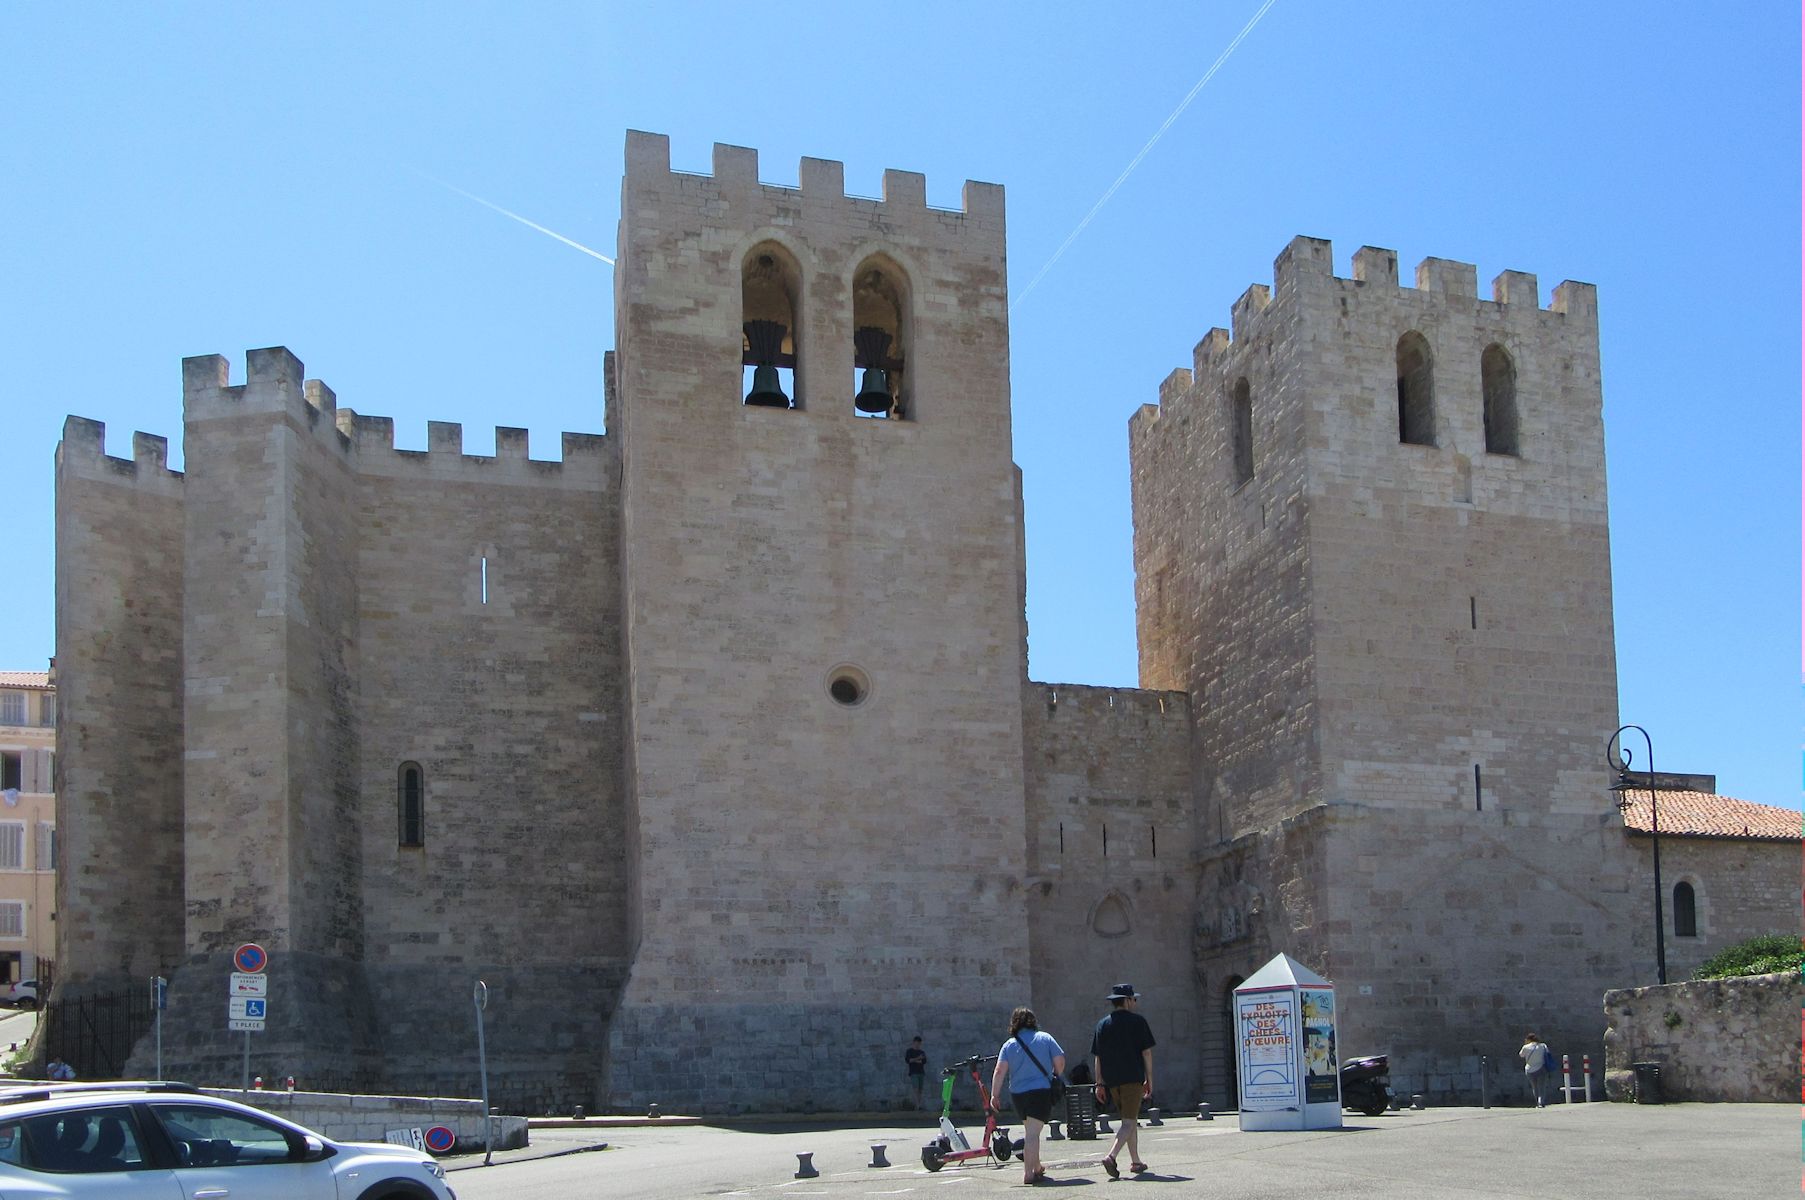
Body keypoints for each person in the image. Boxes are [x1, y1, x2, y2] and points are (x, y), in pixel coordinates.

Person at [991, 1007, 1065, 1186]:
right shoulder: (1045, 1038)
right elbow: (1060, 1060)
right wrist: (1056, 1074)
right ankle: (1028, 1173)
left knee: (1031, 1131)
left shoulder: (1009, 1044)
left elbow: (1000, 1070)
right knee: (1032, 1133)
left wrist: (995, 1095)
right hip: (1040, 1091)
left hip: (1018, 1094)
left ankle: (1037, 1166)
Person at [1091, 983, 1156, 1178]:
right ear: (1127, 1001)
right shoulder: (1138, 1022)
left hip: (1112, 1081)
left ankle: (1135, 1161)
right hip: (1132, 1078)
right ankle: (1111, 1156)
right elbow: (1146, 1052)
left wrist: (1099, 1083)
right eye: (1133, 999)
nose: (1135, 1002)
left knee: (1129, 1118)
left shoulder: (1102, 1024)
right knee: (1128, 1122)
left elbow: (1098, 1057)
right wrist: (1149, 1079)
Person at [1519, 1033, 1552, 1107]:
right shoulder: (1543, 1046)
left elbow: (1521, 1055)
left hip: (1529, 1069)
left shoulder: (1525, 1047)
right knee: (1542, 1087)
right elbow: (1548, 1053)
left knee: (1534, 1087)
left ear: (1528, 1039)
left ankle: (1537, 1102)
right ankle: (1541, 1102)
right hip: (1541, 1068)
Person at [905, 1035, 927, 1109]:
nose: (918, 1044)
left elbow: (923, 1061)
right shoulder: (909, 1051)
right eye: (917, 1043)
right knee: (916, 1088)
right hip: (913, 1072)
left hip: (921, 1072)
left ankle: (919, 1104)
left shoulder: (922, 1052)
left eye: (919, 1043)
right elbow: (908, 1060)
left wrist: (915, 1060)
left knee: (920, 1089)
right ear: (914, 1042)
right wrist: (918, 1058)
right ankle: (917, 1105)